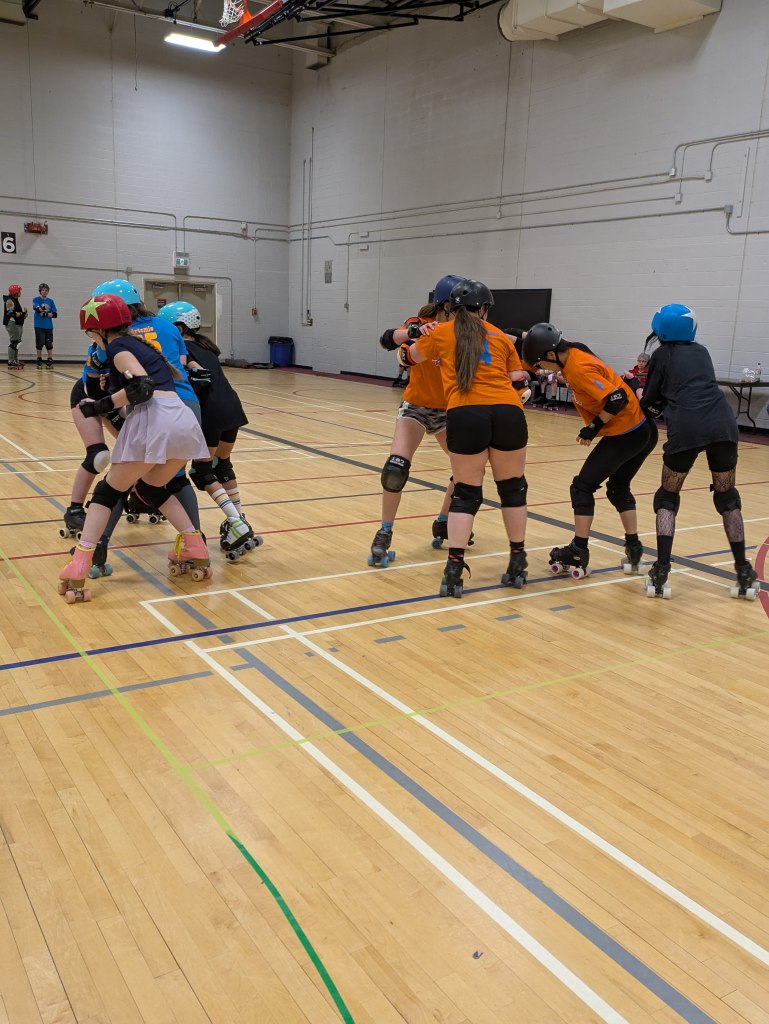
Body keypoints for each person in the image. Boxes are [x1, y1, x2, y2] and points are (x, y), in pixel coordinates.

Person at [58, 294, 211, 601]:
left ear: (98, 331)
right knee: (153, 488)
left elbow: (141, 387)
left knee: (107, 492)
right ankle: (195, 547)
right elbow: (161, 379)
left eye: (89, 333)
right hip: (181, 420)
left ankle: (79, 564)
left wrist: (100, 405)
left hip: (156, 419)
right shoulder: (141, 344)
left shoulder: (116, 347)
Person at [399, 279, 530, 597]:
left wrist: (419, 334)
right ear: (484, 309)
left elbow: (407, 359)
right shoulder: (500, 336)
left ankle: (454, 568)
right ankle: (517, 560)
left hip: (466, 412)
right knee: (513, 490)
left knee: (467, 493)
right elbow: (518, 378)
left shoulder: (441, 332)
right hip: (507, 412)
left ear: (451, 309)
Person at [640, 303, 758, 600]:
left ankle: (662, 569)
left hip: (687, 430)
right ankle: (744, 571)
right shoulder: (701, 351)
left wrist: (647, 403)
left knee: (667, 497)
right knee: (728, 498)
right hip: (723, 426)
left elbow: (651, 403)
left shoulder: (660, 355)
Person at [521, 322, 658, 579]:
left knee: (582, 486)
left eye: (541, 365)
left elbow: (617, 398)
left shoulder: (578, 367)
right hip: (643, 431)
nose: (541, 371)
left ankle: (578, 549)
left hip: (626, 432)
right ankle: (634, 546)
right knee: (618, 487)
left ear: (551, 355)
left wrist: (593, 428)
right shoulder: (574, 353)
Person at [91, 279, 202, 532]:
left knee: (119, 480)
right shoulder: (167, 325)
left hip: (148, 405)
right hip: (185, 405)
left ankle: (96, 550)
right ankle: (195, 544)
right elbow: (182, 362)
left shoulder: (114, 335)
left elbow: (99, 369)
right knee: (176, 480)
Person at [156, 301, 260, 560]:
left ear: (179, 329)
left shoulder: (183, 351)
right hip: (232, 409)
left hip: (210, 413)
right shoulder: (206, 347)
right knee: (222, 465)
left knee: (201, 472)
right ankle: (238, 519)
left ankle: (237, 523)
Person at [374, 274, 465, 566]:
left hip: (450, 409)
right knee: (396, 468)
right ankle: (384, 533)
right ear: (445, 304)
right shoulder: (420, 323)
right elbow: (392, 344)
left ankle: (444, 520)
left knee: (467, 470)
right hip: (416, 407)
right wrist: (416, 332)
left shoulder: (463, 330)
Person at [32, 283, 58, 368]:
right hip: (39, 325)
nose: (44, 292)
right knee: (40, 343)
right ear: (40, 291)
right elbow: (37, 309)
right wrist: (43, 309)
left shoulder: (51, 301)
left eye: (46, 290)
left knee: (49, 343)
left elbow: (54, 314)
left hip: (48, 326)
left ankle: (50, 359)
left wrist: (45, 314)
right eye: (43, 290)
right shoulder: (36, 299)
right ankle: (39, 358)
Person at [3, 284, 26, 368]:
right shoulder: (9, 300)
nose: (20, 293)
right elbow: (10, 313)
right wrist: (20, 314)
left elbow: (15, 312)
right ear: (15, 292)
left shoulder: (14, 299)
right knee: (14, 342)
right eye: (19, 291)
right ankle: (11, 361)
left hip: (17, 323)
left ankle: (15, 359)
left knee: (17, 342)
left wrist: (23, 314)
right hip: (12, 323)